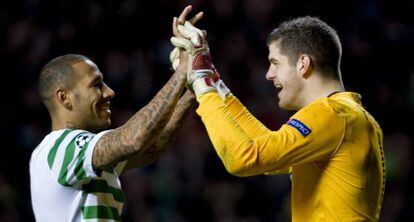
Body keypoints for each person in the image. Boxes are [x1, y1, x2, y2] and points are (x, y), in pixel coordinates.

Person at [172, 16, 386, 221]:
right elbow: (264, 153)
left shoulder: (332, 113)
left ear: (303, 63)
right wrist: (210, 79)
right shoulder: (348, 116)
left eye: (275, 63)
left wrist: (202, 82)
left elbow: (244, 158)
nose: (269, 74)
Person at [29, 6, 202, 221]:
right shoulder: (58, 149)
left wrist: (193, 90)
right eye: (96, 85)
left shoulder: (79, 155)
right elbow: (132, 140)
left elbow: (151, 147)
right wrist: (181, 70)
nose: (109, 92)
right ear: (64, 97)